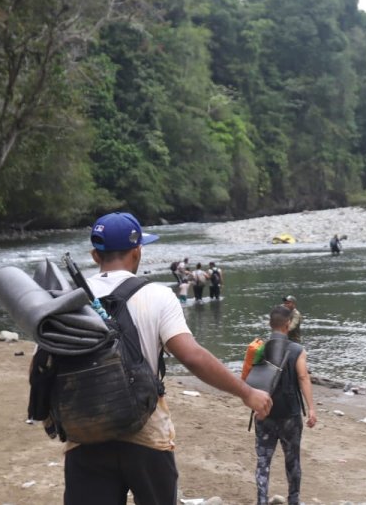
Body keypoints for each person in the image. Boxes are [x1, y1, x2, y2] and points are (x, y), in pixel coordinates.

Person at [64, 212, 272, 504]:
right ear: (137, 252)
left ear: (95, 255)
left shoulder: (68, 298)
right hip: (145, 432)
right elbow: (192, 357)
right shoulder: (157, 296)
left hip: (85, 433)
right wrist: (246, 392)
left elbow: (45, 364)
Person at [254, 305, 318, 505]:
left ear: (269, 324)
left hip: (264, 411)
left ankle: (262, 500)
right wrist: (311, 409)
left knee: (263, 460)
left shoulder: (260, 348)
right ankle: (294, 500)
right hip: (290, 414)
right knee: (292, 460)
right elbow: (303, 377)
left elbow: (253, 378)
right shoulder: (297, 350)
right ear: (288, 324)